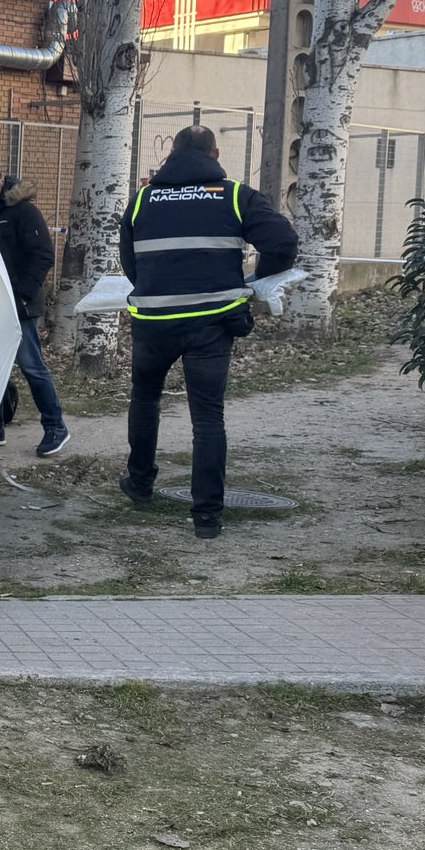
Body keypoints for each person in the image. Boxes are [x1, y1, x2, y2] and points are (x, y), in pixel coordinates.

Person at [118, 123, 296, 538]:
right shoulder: (234, 196)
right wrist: (255, 281)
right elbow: (283, 243)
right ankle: (207, 517)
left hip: (154, 322)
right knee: (208, 417)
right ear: (214, 155)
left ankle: (140, 483)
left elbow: (130, 261)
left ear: (170, 154)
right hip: (212, 324)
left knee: (145, 398)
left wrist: (157, 288)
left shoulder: (142, 199)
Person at [0, 161, 67, 456]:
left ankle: (56, 427)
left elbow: (44, 255)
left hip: (22, 305)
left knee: (31, 366)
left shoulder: (24, 212)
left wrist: (23, 294)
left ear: (1, 181)